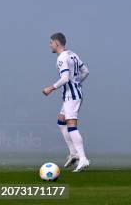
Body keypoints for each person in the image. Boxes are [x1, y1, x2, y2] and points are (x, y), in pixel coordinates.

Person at [42, 32, 90, 172]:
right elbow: (86, 71)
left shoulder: (62, 58)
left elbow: (65, 78)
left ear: (57, 43)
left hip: (71, 96)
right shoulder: (72, 54)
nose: (50, 45)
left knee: (71, 126)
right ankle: (74, 153)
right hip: (73, 94)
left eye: (51, 42)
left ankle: (83, 158)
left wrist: (51, 88)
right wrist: (77, 83)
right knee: (61, 121)